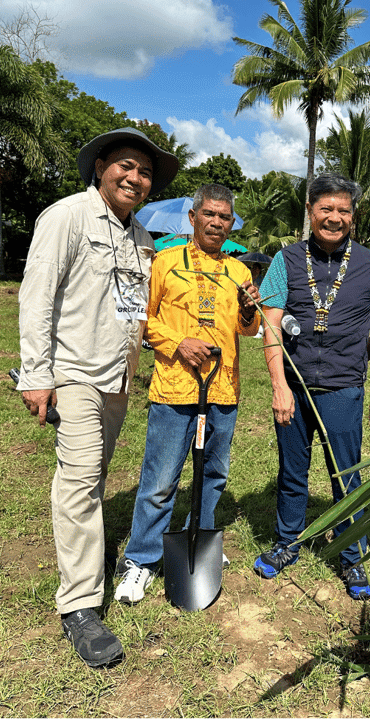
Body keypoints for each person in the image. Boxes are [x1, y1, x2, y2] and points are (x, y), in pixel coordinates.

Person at [17, 127, 179, 667]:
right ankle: (80, 606)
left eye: (146, 172)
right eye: (126, 166)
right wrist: (36, 375)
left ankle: (82, 565)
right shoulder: (65, 217)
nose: (135, 178)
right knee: (82, 478)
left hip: (118, 380)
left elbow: (137, 313)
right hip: (74, 372)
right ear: (101, 166)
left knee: (93, 476)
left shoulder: (143, 242)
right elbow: (36, 295)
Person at [254, 172, 370, 600]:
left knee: (346, 476)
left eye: (343, 210)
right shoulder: (287, 260)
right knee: (292, 471)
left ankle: (352, 557)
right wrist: (279, 385)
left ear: (353, 216)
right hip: (295, 386)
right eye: (326, 209)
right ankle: (287, 543)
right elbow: (271, 325)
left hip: (343, 388)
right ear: (310, 211)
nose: (334, 218)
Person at [114, 184, 259, 604]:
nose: (217, 222)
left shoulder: (239, 271)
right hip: (176, 387)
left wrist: (248, 309)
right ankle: (141, 560)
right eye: (209, 215)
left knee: (213, 473)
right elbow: (143, 318)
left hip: (223, 386)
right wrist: (179, 343)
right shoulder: (164, 262)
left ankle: (201, 541)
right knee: (161, 479)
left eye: (224, 217)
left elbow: (247, 329)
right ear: (193, 218)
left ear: (231, 223)